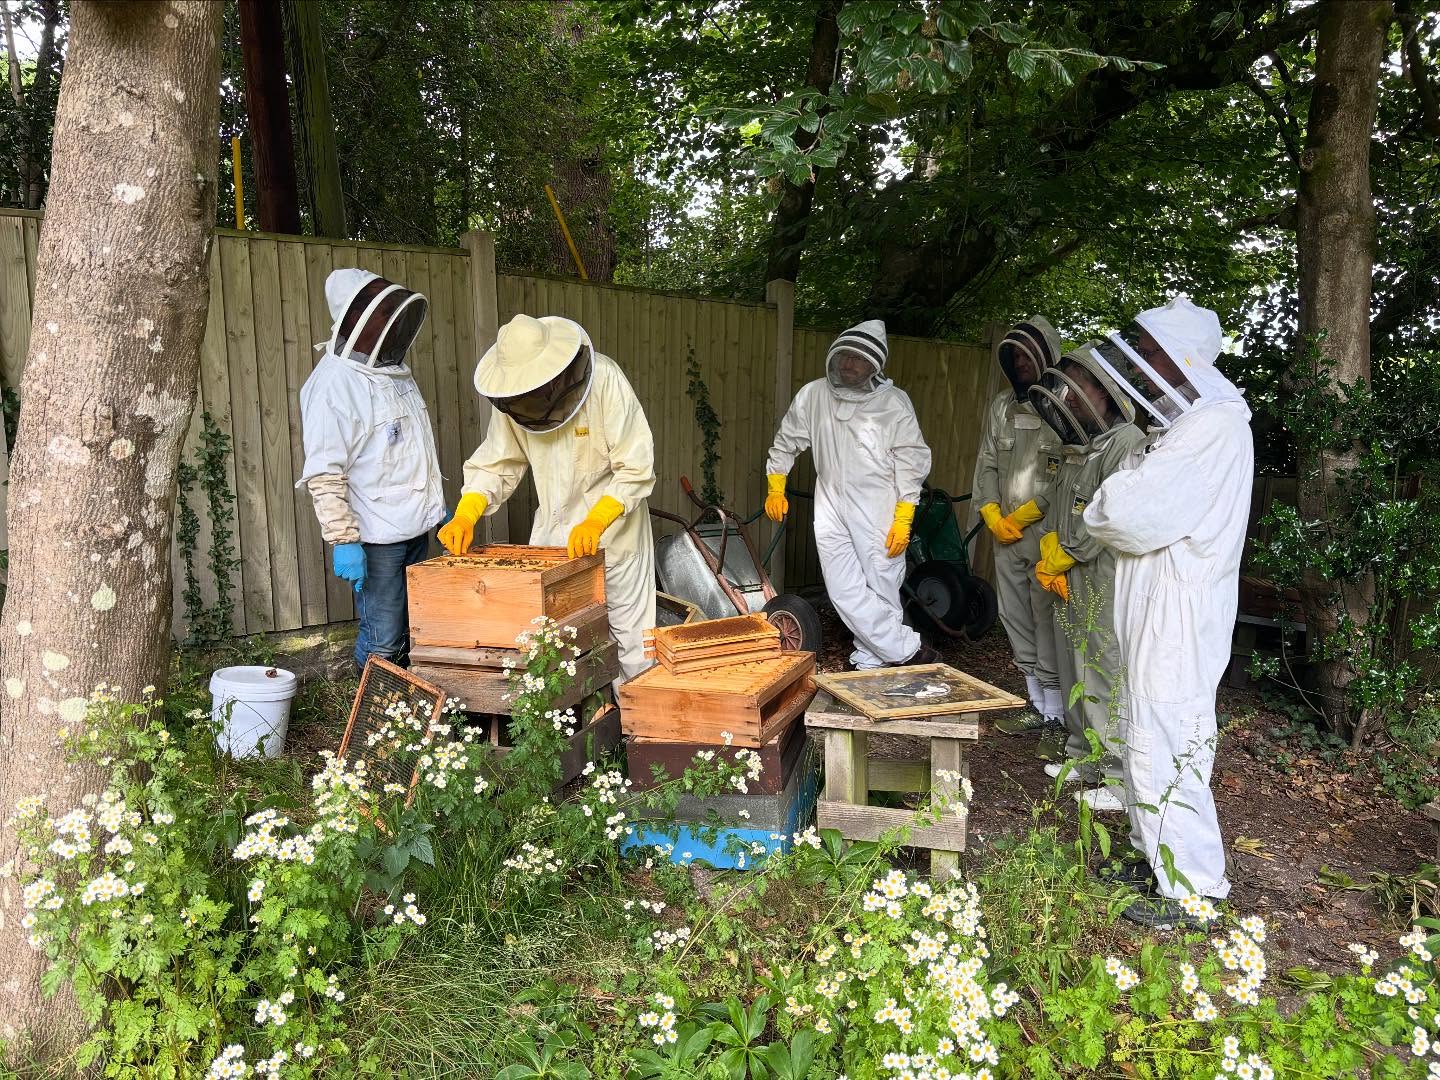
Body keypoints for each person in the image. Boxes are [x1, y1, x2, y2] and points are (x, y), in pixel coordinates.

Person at [1083, 295, 1253, 930]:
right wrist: (1119, 496)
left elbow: (1123, 515)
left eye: (1152, 353)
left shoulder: (1214, 426)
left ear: (1181, 358)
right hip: (1152, 596)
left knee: (1169, 734)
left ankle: (1194, 887)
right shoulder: (1175, 428)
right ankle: (1151, 855)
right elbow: (1124, 506)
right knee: (1138, 725)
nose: (1144, 364)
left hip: (1178, 608)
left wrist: (1114, 499)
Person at [438, 314, 656, 681]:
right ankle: (571, 732)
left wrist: (598, 517)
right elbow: (497, 463)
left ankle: (633, 732)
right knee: (550, 646)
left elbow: (636, 466)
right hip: (554, 540)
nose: (529, 398)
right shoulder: (516, 400)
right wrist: (467, 511)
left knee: (631, 643)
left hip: (617, 536)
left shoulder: (606, 380)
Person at [764, 319, 935, 669]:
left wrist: (905, 514)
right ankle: (904, 649)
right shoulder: (813, 395)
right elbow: (787, 440)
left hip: (880, 505)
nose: (848, 364)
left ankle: (871, 659)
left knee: (882, 584)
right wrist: (775, 483)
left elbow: (912, 460)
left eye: (858, 359)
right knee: (842, 587)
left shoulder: (894, 403)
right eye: (845, 356)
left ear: (874, 365)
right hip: (828, 502)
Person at [297, 268, 444, 672]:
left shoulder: (392, 374)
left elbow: (407, 452)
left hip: (415, 530)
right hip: (377, 539)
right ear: (355, 317)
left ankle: (403, 712)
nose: (392, 322)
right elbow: (325, 472)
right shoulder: (333, 385)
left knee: (414, 629)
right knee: (383, 637)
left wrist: (434, 508)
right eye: (383, 313)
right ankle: (371, 719)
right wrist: (343, 539)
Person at [1028, 343, 1149, 814]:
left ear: (1103, 389)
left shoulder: (1126, 443)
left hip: (1101, 574)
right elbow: (1066, 505)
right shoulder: (1087, 443)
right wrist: (1052, 548)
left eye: (1079, 386)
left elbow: (1113, 517)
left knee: (1102, 665)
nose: (1069, 397)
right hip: (1071, 573)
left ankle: (1117, 776)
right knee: (1073, 661)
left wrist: (1070, 550)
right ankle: (1084, 753)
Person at [972, 318, 1065, 736]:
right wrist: (990, 511)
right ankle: (1035, 702)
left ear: (1048, 354)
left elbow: (1068, 472)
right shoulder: (1001, 406)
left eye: (1030, 354)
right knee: (1014, 616)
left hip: (1048, 536)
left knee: (1048, 619)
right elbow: (987, 461)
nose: (1023, 362)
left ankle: (1058, 715)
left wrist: (1031, 512)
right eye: (1016, 356)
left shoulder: (1066, 405)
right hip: (1005, 534)